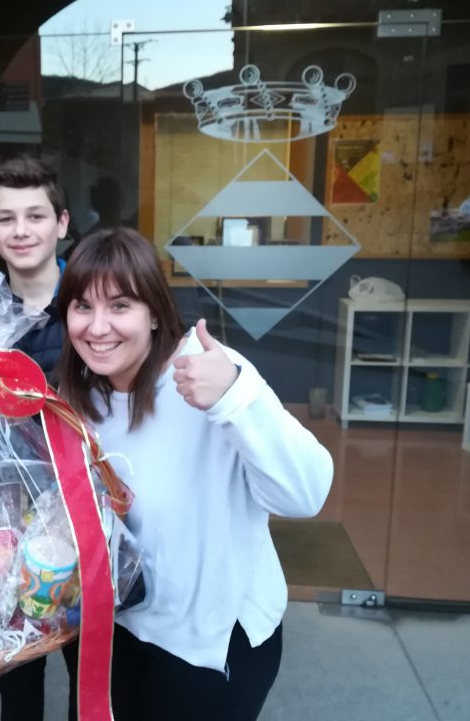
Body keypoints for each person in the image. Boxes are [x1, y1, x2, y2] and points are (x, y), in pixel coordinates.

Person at [56, 228, 334, 721]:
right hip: (117, 625)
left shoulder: (208, 373)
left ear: (155, 313)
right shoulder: (79, 396)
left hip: (210, 642)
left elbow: (305, 494)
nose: (98, 327)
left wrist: (235, 397)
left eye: (120, 306)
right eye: (82, 306)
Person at [0, 155, 79, 721]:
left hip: (84, 512)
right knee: (17, 670)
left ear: (61, 223)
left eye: (36, 216)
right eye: (7, 218)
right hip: (5, 516)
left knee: (92, 663)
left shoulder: (92, 304)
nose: (21, 231)